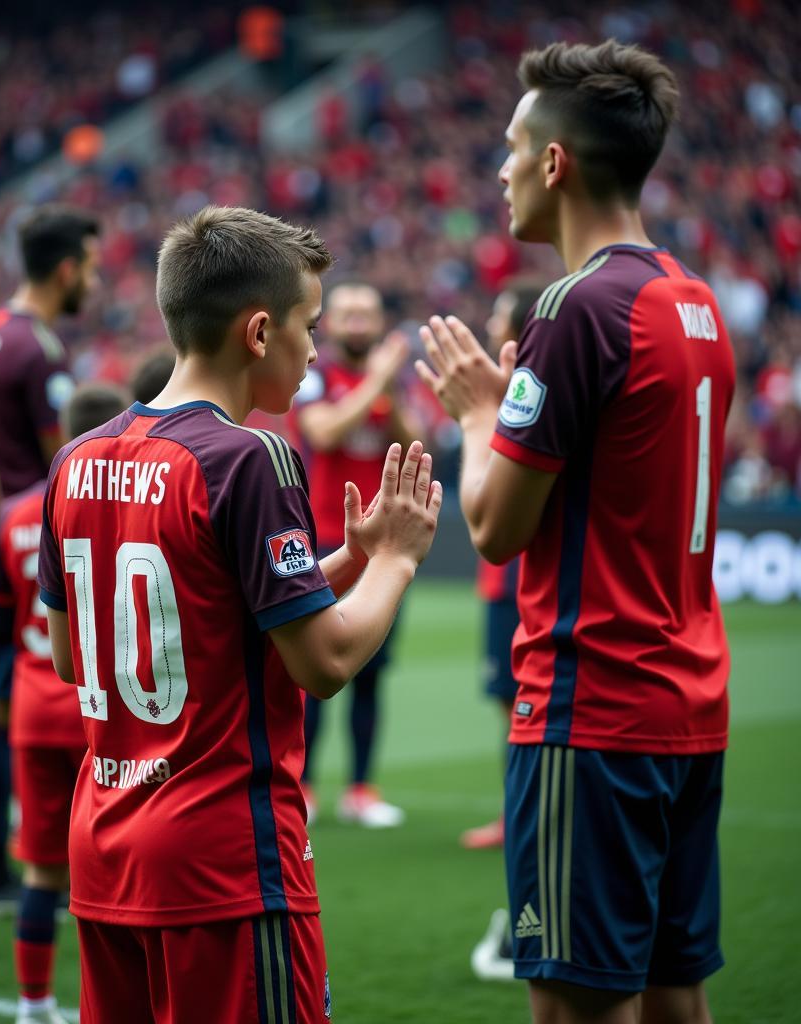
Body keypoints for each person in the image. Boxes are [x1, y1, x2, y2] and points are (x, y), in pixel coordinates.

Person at [37, 206, 441, 1023]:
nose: (317, 351)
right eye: (310, 326)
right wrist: (396, 562)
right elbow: (323, 664)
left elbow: (78, 656)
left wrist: (348, 560)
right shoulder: (250, 457)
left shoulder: (75, 459)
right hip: (222, 865)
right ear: (260, 332)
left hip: (106, 848)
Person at [416, 41, 734, 1023]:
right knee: (674, 994)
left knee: (577, 1008)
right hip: (689, 700)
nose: (499, 169)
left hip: (588, 711)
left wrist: (475, 409)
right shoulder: (694, 300)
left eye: (510, 148)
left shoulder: (573, 306)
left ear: (553, 163)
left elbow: (495, 527)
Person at [0, 206, 99, 919]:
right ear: (68, 267)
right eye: (93, 266)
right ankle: (50, 863)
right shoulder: (39, 348)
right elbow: (64, 463)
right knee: (26, 697)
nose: (97, 280)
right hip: (24, 537)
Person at [0, 382, 126, 1024]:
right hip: (101, 713)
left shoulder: (14, 511)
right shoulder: (117, 505)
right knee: (119, 871)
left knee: (40, 872)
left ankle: (32, 1005)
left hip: (33, 709)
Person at [293, 282, 420, 828]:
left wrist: (386, 393)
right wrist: (379, 383)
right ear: (333, 322)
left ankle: (362, 788)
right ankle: (301, 785)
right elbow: (323, 432)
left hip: (383, 545)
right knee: (314, 668)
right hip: (325, 538)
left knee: (371, 670)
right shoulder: (316, 376)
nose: (358, 322)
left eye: (367, 313)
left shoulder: (389, 385)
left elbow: (415, 440)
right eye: (348, 314)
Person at [461, 277, 546, 853]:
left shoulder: (525, 395)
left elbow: (491, 495)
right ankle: (518, 809)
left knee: (520, 697)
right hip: (501, 579)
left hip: (516, 574)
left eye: (499, 317)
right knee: (509, 700)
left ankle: (523, 814)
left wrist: (475, 416)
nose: (492, 326)